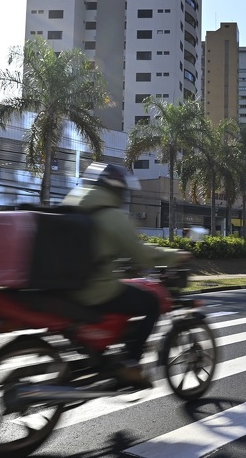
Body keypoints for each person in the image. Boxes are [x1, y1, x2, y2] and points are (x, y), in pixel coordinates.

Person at [62, 162, 191, 388]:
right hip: (96, 289)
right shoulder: (112, 215)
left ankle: (102, 354)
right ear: (116, 189)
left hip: (66, 286)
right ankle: (131, 363)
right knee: (151, 302)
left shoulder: (74, 202)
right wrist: (174, 256)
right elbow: (140, 253)